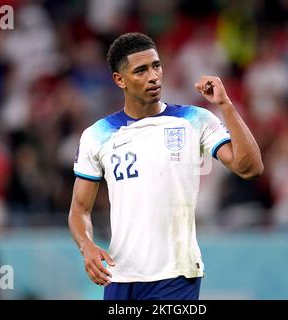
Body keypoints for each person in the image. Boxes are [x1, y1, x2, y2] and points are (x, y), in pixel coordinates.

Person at [68, 32, 263, 300]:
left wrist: (226, 106)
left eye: (156, 66)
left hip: (176, 274)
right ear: (119, 79)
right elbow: (79, 208)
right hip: (119, 275)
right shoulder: (97, 135)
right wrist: (87, 246)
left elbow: (250, 167)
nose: (153, 76)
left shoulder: (194, 120)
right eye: (141, 70)